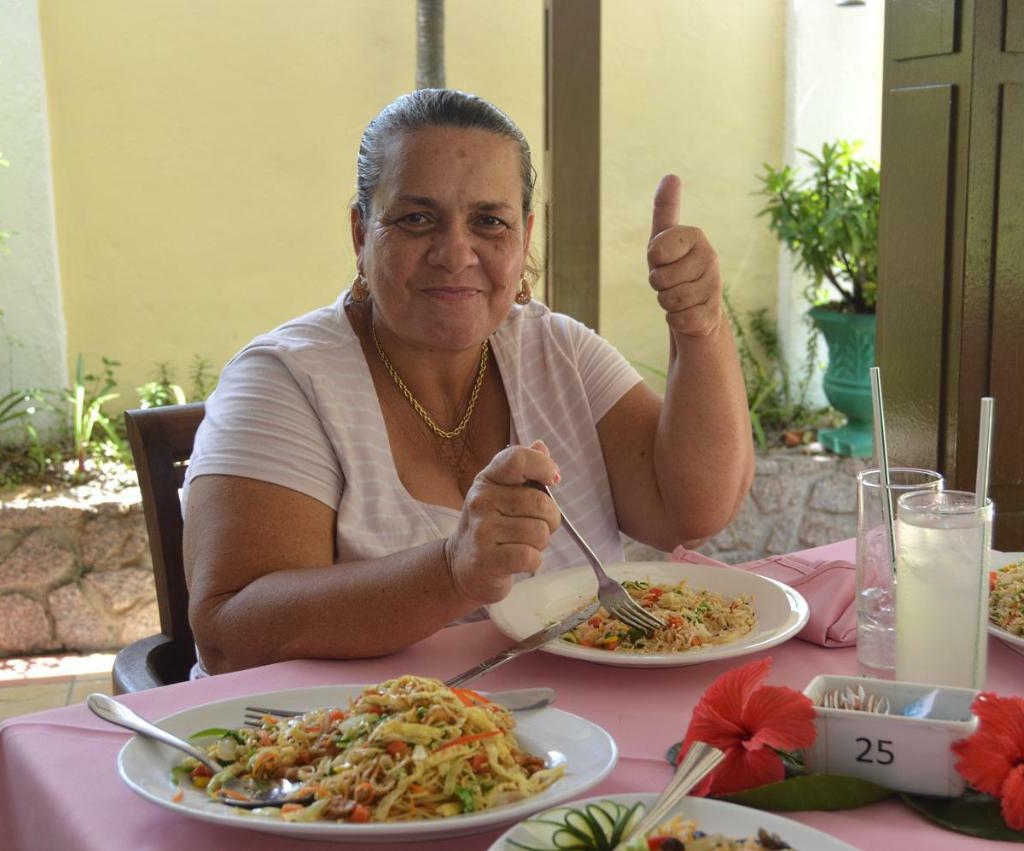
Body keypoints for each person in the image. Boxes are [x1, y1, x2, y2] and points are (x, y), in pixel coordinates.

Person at [183, 89, 754, 675]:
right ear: (361, 233)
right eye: (416, 219)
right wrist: (454, 572)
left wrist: (700, 325)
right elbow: (231, 636)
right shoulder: (283, 380)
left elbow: (691, 511)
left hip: (566, 739)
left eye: (488, 221)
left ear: (524, 235)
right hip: (346, 747)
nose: (455, 253)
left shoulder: (559, 350)